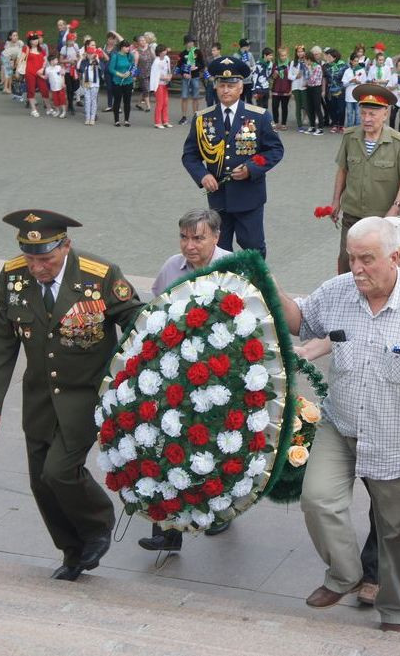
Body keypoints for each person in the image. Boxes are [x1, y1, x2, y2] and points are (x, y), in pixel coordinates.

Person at [279, 216, 400, 633]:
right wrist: (267, 283)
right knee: (317, 500)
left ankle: (397, 614)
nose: (357, 269)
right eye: (351, 258)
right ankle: (346, 574)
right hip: (341, 423)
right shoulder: (338, 292)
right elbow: (299, 319)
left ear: (395, 258)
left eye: (366, 259)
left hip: (399, 436)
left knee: (397, 530)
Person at [0, 210, 142, 582]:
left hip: (86, 395)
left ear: (66, 246)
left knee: (60, 472)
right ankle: (73, 552)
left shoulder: (99, 276)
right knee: (40, 481)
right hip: (39, 396)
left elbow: (135, 318)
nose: (37, 268)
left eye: (46, 259)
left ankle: (98, 523)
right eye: (31, 259)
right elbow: (1, 337)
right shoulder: (13, 276)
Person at [137, 209, 234, 552]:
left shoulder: (233, 268)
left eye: (198, 238)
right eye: (184, 238)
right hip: (176, 369)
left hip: (220, 372)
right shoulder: (170, 267)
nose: (189, 246)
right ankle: (169, 528)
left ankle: (223, 509)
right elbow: (157, 311)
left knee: (215, 444)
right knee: (172, 443)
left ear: (216, 237)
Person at [181, 56, 284, 257]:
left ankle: (255, 287)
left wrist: (251, 169)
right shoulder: (203, 118)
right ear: (216, 87)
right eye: (221, 85)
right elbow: (190, 155)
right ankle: (222, 288)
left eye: (231, 85)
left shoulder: (259, 116)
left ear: (241, 88)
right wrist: (202, 176)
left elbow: (275, 150)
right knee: (219, 251)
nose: (226, 90)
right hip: (218, 198)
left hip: (249, 196)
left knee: (253, 249)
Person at [330, 84, 400, 274]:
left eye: (372, 114)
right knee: (347, 261)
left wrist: (396, 208)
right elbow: (343, 170)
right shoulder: (350, 137)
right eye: (363, 114)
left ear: (385, 114)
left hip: (383, 219)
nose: (366, 119)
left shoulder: (399, 142)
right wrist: (336, 200)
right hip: (352, 215)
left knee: (378, 266)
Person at [22, 32, 51, 118]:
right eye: (33, 39)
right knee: (31, 90)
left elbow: (45, 60)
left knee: (44, 89)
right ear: (30, 41)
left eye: (36, 39)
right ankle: (33, 109)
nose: (35, 41)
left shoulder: (41, 49)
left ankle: (49, 108)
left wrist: (43, 68)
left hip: (40, 72)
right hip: (30, 72)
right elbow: (22, 59)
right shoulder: (26, 49)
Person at [177, 35, 203, 124]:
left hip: (195, 77)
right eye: (190, 42)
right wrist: (183, 73)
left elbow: (202, 64)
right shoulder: (182, 54)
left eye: (193, 42)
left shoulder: (197, 52)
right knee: (184, 97)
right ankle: (184, 116)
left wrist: (196, 67)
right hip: (185, 78)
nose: (192, 43)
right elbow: (178, 66)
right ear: (186, 43)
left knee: (195, 97)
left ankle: (196, 116)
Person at [149, 43, 172, 129]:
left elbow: (169, 69)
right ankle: (157, 122)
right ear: (159, 52)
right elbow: (155, 75)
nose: (165, 52)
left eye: (165, 50)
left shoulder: (167, 58)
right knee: (160, 103)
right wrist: (165, 77)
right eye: (163, 50)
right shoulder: (156, 61)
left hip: (165, 84)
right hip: (158, 84)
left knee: (165, 102)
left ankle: (165, 121)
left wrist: (169, 76)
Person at [78, 46, 102, 126]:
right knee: (87, 101)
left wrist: (97, 58)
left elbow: (101, 68)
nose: (90, 55)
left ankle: (92, 118)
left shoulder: (97, 61)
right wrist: (81, 58)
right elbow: (79, 68)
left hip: (95, 84)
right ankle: (87, 118)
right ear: (86, 54)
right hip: (86, 83)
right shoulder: (84, 62)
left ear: (94, 54)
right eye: (89, 53)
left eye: (92, 53)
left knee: (93, 101)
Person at [45, 53, 67, 119]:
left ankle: (64, 111)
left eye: (57, 60)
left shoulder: (59, 67)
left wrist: (63, 83)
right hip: (53, 88)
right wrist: (40, 75)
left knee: (62, 99)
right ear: (51, 61)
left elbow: (62, 75)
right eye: (55, 60)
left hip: (60, 87)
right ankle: (57, 111)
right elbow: (46, 77)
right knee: (55, 100)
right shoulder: (47, 69)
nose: (57, 61)